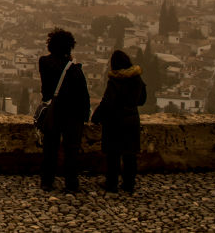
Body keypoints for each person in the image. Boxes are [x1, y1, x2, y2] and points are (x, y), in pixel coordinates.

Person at [38, 28, 90, 192]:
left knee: (50, 147)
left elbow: (46, 90)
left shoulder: (44, 62)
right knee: (71, 149)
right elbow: (83, 93)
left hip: (54, 111)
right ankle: (71, 183)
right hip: (73, 113)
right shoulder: (74, 68)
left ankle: (47, 181)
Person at [91, 49, 147, 193]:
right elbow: (142, 100)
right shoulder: (137, 78)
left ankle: (112, 183)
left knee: (113, 154)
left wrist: (96, 117)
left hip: (115, 122)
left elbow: (107, 102)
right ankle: (129, 184)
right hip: (132, 120)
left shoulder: (115, 81)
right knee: (130, 154)